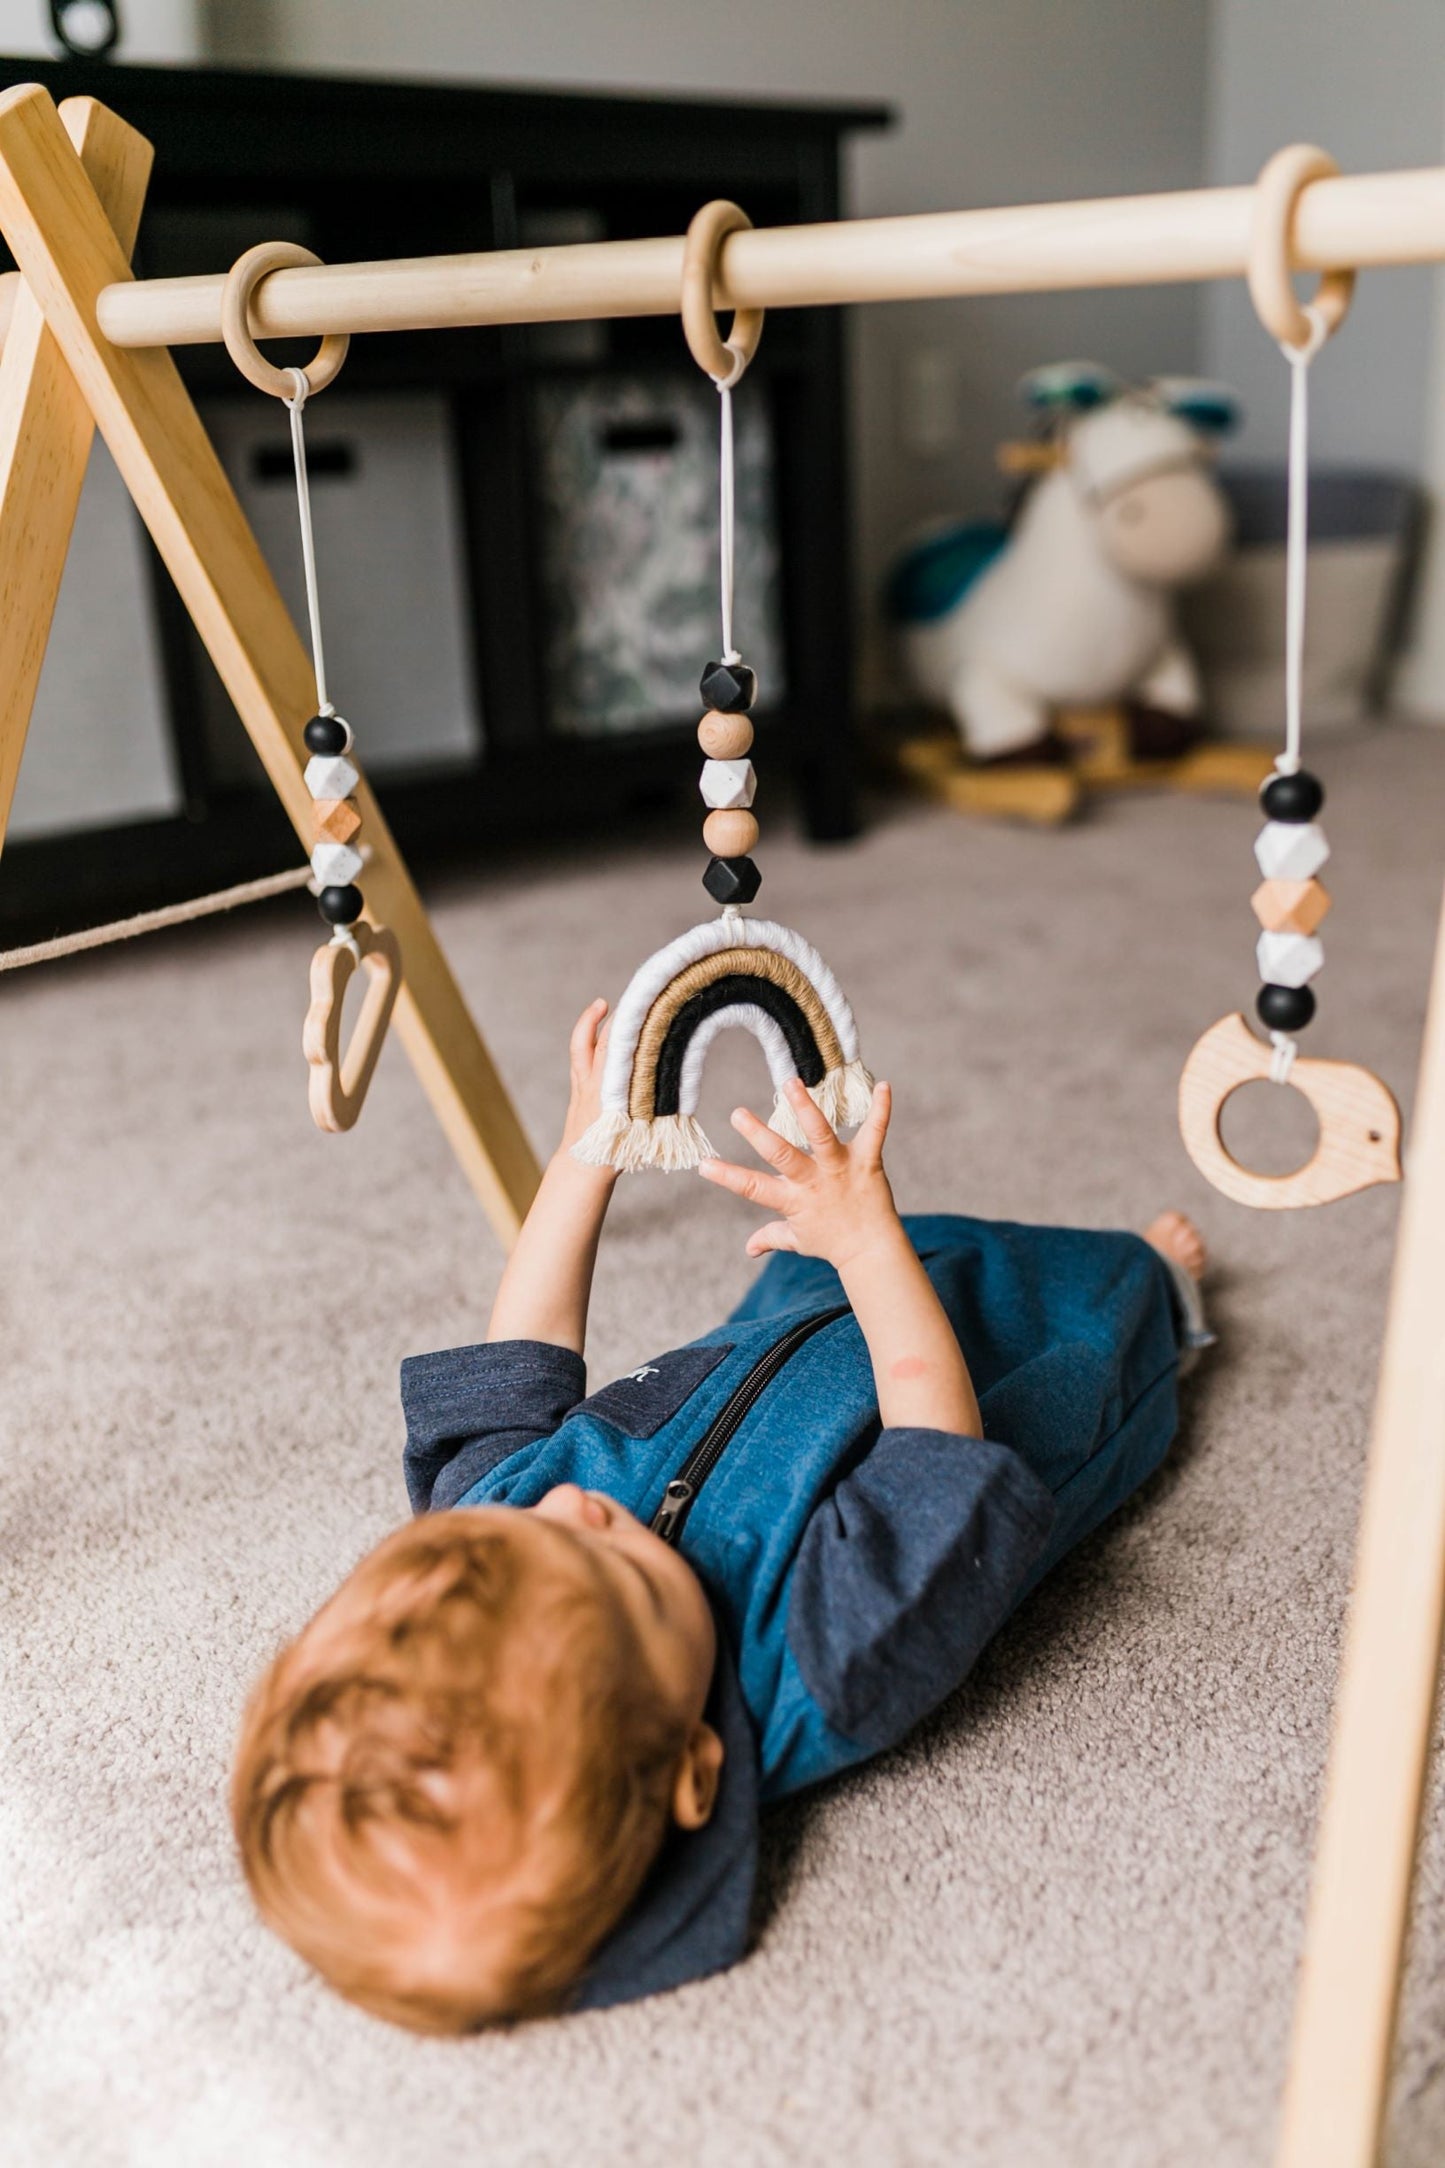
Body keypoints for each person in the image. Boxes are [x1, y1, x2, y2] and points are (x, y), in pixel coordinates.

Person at [233, 999, 1212, 2032]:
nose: (569, 1502)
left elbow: (516, 1360)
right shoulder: (831, 1656)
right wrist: (869, 1247)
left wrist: (583, 1152)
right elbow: (939, 1442)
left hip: (785, 1322)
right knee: (1099, 1308)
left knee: (803, 1257)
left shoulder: (496, 1532)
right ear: (694, 1761)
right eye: (607, 1565)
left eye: (525, 1525)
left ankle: (859, 1251)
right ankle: (1167, 1293)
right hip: (981, 1369)